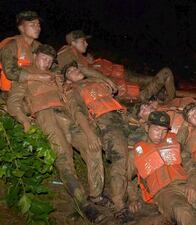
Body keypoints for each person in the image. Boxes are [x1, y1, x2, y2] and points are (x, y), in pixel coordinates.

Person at [6, 44, 105, 223]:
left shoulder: (56, 77)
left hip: (68, 115)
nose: (47, 63)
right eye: (44, 58)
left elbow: (70, 101)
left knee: (92, 146)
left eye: (51, 61)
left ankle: (96, 195)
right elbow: (13, 103)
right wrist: (25, 121)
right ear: (35, 56)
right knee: (63, 158)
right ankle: (84, 204)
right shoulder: (26, 74)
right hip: (46, 116)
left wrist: (88, 129)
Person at [62, 61, 132, 221]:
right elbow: (78, 112)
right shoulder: (74, 89)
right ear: (67, 80)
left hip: (118, 119)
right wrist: (90, 134)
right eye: (70, 71)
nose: (75, 70)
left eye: (76, 68)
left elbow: (109, 88)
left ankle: (123, 197)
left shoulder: (95, 82)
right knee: (120, 157)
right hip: (104, 122)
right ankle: (119, 205)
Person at [58, 30, 175, 102]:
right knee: (164, 74)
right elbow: (79, 70)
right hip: (126, 93)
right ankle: (169, 100)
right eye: (83, 41)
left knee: (154, 80)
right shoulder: (67, 51)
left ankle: (166, 97)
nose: (87, 44)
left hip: (123, 83)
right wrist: (106, 79)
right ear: (73, 43)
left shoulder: (80, 56)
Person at [0, 10, 53, 94]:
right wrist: (38, 77)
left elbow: (54, 65)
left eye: (38, 25)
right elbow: (10, 72)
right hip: (11, 92)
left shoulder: (40, 47)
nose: (38, 28)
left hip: (34, 90)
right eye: (32, 25)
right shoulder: (11, 46)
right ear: (21, 28)